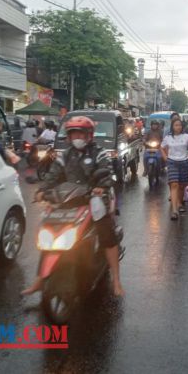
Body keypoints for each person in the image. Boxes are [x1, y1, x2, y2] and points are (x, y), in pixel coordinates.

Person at [22, 116, 124, 296]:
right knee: (49, 231)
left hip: (94, 198)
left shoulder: (98, 153)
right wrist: (42, 190)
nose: (77, 137)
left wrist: (101, 186)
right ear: (68, 136)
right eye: (73, 133)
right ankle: (40, 280)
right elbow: (52, 175)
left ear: (89, 135)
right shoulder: (65, 155)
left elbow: (107, 171)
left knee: (106, 233)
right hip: (69, 200)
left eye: (80, 133)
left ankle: (116, 280)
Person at [161, 118, 188, 220]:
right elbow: (161, 147)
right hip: (172, 162)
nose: (178, 127)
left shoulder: (186, 136)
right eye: (176, 125)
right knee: (174, 184)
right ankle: (174, 210)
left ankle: (180, 203)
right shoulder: (168, 137)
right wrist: (165, 158)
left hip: (184, 162)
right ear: (172, 126)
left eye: (180, 125)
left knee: (182, 185)